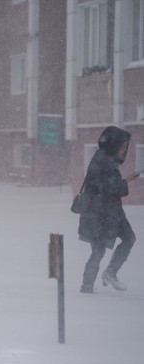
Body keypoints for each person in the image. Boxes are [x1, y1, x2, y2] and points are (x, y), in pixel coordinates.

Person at [78, 126, 139, 294]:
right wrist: (127, 181)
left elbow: (106, 187)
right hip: (101, 215)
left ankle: (91, 283)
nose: (125, 149)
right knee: (104, 247)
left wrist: (125, 181)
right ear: (114, 144)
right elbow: (110, 189)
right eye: (123, 146)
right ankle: (104, 277)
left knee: (103, 248)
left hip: (105, 214)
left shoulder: (103, 158)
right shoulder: (103, 161)